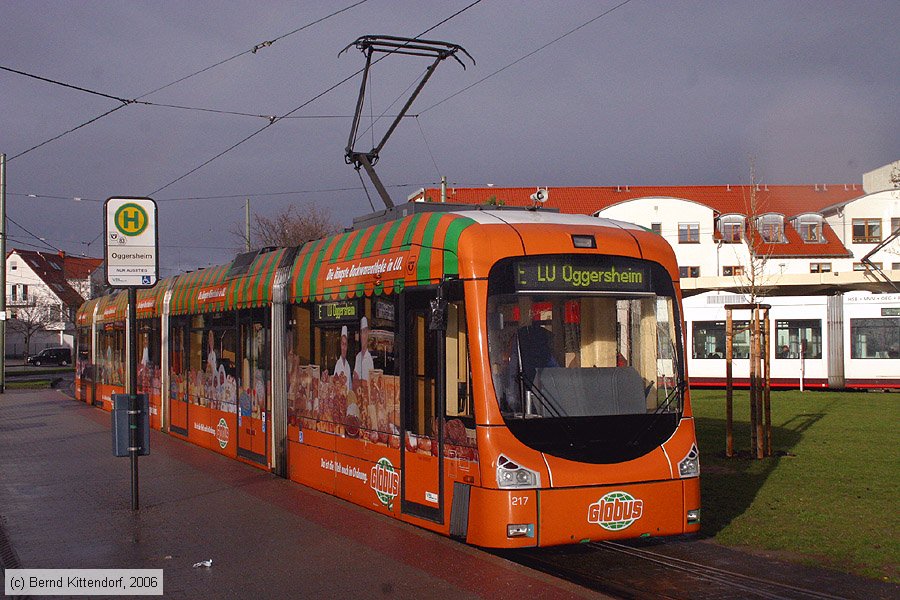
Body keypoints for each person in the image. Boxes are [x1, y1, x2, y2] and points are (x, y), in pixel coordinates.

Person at [353, 316, 374, 385]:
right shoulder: (358, 357)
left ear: (368, 334)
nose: (363, 336)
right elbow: (355, 378)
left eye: (365, 332)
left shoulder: (370, 357)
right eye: (361, 332)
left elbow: (370, 381)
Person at [333, 325, 353, 390]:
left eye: (345, 344)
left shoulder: (348, 365)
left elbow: (350, 387)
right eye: (342, 344)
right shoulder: (338, 365)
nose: (344, 347)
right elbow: (335, 387)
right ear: (340, 346)